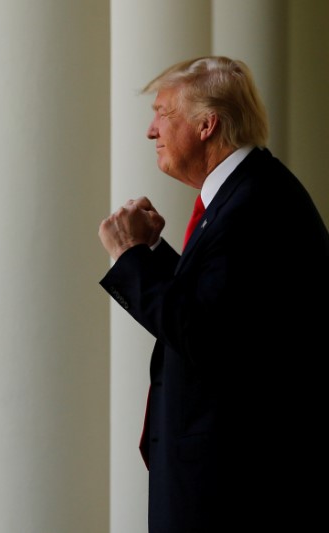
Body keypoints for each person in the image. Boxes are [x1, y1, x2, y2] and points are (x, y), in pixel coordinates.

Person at [98, 56, 329, 532]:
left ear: (207, 125)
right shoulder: (250, 193)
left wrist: (130, 257)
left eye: (162, 113)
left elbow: (205, 335)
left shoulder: (255, 204)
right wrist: (155, 252)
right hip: (227, 478)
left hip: (230, 489)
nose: (150, 131)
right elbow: (221, 309)